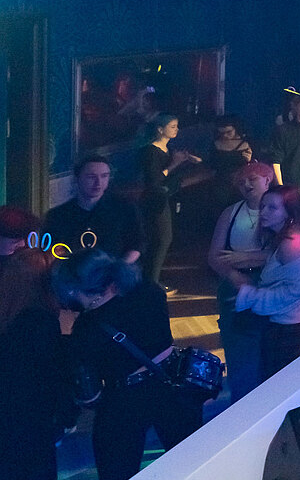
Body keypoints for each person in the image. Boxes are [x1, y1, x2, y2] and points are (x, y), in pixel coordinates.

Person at [54, 249, 201, 480]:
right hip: (173, 383)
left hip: (124, 401)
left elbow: (89, 395)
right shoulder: (150, 290)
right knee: (193, 465)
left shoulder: (87, 330)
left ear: (88, 291)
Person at [0, 245, 69, 480]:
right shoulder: (41, 322)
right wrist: (66, 417)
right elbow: (55, 381)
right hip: (33, 430)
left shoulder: (8, 317)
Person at [231, 186, 300, 381]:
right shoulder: (295, 232)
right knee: (283, 372)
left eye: (272, 208)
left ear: (289, 211)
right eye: (263, 206)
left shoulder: (292, 242)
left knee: (275, 377)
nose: (263, 212)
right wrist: (247, 257)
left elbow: (299, 289)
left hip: (291, 321)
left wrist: (248, 294)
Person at [207, 162, 273, 401]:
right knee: (236, 344)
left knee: (268, 347)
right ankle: (242, 401)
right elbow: (214, 256)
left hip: (268, 282)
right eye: (242, 181)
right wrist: (235, 276)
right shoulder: (231, 212)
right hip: (233, 285)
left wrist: (246, 257)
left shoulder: (280, 210)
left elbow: (286, 253)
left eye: (252, 179)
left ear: (268, 180)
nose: (246, 185)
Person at [137, 114, 202, 286]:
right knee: (162, 239)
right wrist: (174, 163)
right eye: (172, 126)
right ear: (160, 129)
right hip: (155, 200)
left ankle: (152, 280)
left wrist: (188, 160)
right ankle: (151, 282)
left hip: (167, 197)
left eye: (176, 126)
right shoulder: (150, 151)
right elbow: (155, 180)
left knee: (163, 239)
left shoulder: (168, 148)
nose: (176, 129)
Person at [45, 156, 143, 267]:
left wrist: (117, 268)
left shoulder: (125, 209)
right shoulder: (58, 215)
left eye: (104, 176)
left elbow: (137, 245)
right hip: (71, 275)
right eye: (91, 177)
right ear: (77, 178)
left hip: (116, 273)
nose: (98, 182)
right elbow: (51, 253)